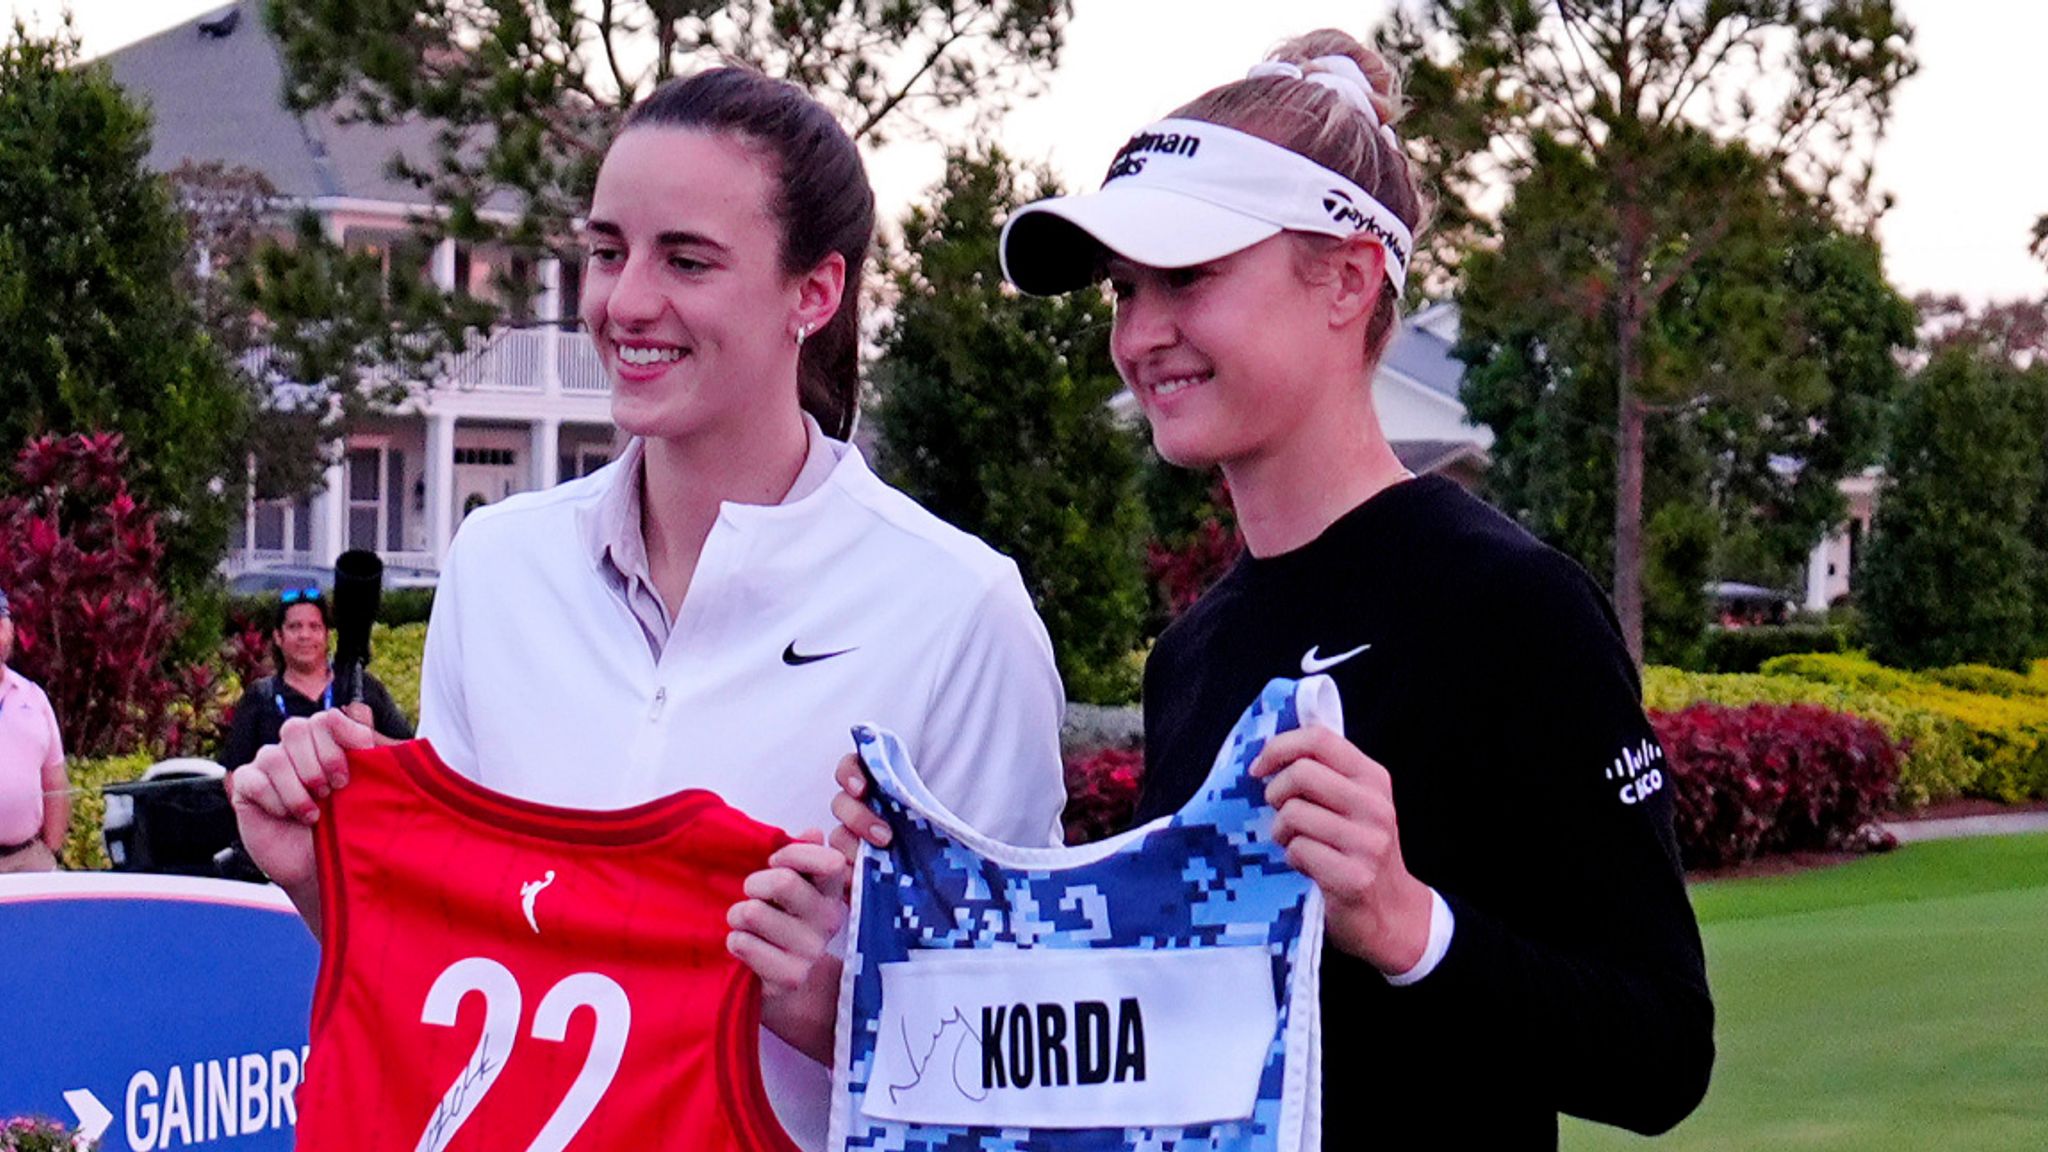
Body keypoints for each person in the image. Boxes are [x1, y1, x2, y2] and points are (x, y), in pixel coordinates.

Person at [834, 30, 1713, 1147]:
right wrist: (887, 946)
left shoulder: (1510, 607)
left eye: (1188, 276)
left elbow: (1661, 1054)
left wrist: (1403, 923)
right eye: (1123, 291)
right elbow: (1148, 1052)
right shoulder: (1194, 654)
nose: (1140, 335)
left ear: (1346, 279)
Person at [228, 64, 1067, 1149]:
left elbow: (1026, 1069)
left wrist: (819, 1008)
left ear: (813, 293)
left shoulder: (956, 610)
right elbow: (470, 970)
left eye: (686, 260)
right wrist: (320, 880)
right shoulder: (499, 567)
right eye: (607, 250)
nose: (624, 302)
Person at [217, 587, 414, 771]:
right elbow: (234, 772)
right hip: (289, 804)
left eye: (314, 627)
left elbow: (414, 753)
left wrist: (370, 736)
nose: (305, 635)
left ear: (327, 635)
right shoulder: (261, 697)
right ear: (278, 636)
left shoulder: (361, 688)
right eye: (294, 627)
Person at [0, 586, 68, 874]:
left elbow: (54, 782)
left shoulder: (33, 697)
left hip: (27, 861)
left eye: (1, 624)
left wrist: (50, 850)